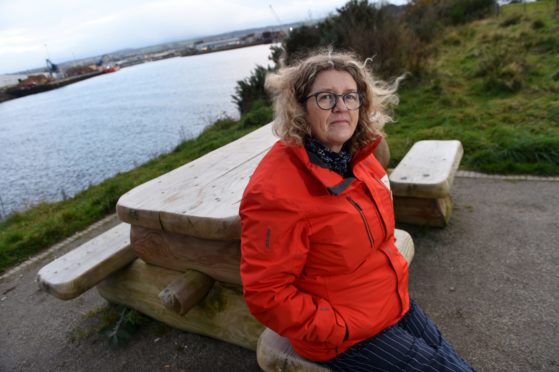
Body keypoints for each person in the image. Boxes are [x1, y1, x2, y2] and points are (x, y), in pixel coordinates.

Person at [239, 50, 475, 371]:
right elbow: (266, 294)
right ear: (300, 107)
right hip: (345, 335)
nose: (341, 106)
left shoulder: (358, 157)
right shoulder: (274, 192)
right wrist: (338, 328)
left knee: (453, 361)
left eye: (350, 97)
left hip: (391, 302)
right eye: (326, 97)